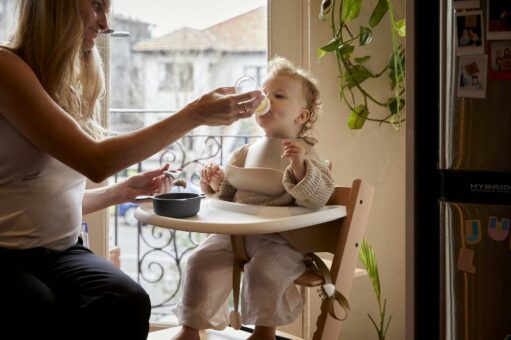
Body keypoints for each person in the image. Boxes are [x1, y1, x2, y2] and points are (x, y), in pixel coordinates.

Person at [0, 1, 264, 339]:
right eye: (96, 5)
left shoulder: (64, 84)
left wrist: (120, 192)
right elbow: (95, 161)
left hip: (60, 251)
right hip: (6, 256)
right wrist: (193, 114)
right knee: (40, 308)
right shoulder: (6, 67)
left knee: (127, 300)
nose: (105, 22)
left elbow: (40, 198)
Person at [173, 57, 335, 340]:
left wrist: (299, 167)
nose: (265, 99)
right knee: (199, 260)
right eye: (264, 92)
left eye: (278, 95)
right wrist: (215, 181)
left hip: (281, 239)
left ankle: (264, 332)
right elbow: (228, 196)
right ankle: (190, 328)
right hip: (236, 235)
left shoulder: (306, 154)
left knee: (266, 270)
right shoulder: (245, 152)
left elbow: (319, 196)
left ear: (302, 116)